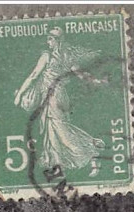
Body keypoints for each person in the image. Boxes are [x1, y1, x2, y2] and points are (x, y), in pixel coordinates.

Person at [13, 27, 107, 173]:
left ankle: (90, 149)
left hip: (52, 97)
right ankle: (57, 162)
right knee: (54, 128)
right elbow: (81, 74)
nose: (48, 41)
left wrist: (20, 94)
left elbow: (33, 75)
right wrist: (97, 81)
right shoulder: (67, 57)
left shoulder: (47, 56)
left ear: (57, 40)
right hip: (61, 96)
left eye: (50, 39)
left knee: (60, 129)